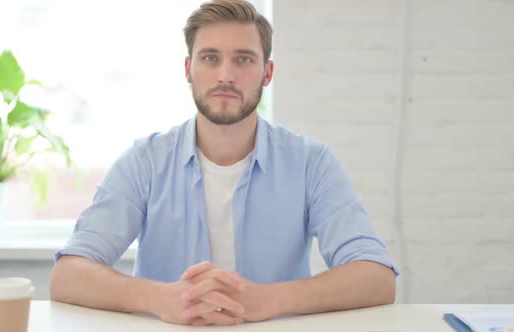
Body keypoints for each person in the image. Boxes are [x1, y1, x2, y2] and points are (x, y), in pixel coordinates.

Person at [50, 0, 398, 326]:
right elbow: (69, 275)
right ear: (189, 68)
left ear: (267, 72)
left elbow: (376, 277)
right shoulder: (145, 162)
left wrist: (266, 300)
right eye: (210, 58)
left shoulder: (311, 163)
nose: (225, 76)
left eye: (244, 59)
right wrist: (161, 298)